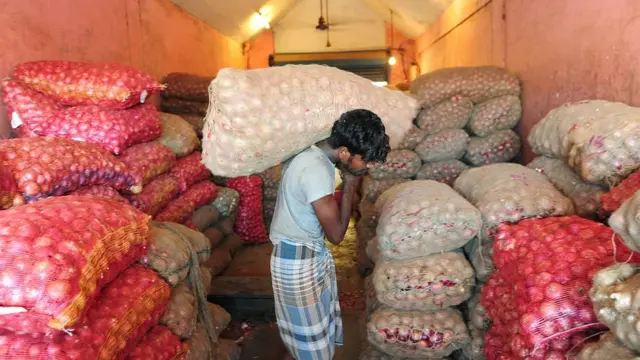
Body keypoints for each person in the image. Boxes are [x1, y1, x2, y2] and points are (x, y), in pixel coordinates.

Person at [269, 109, 390, 360]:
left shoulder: (312, 156)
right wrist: (350, 184)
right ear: (344, 152)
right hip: (297, 264)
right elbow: (336, 235)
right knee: (312, 349)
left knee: (307, 339)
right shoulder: (316, 170)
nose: (367, 167)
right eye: (365, 160)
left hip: (306, 255)